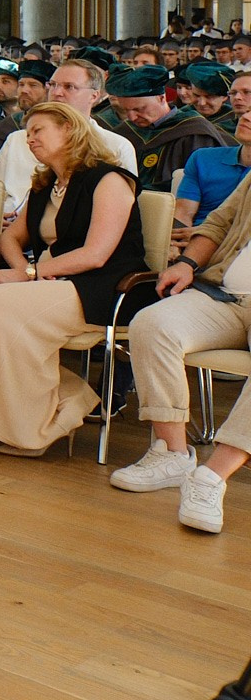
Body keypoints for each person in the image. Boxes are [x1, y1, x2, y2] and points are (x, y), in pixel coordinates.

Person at [0, 102, 147, 456]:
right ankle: (48, 399)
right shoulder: (46, 184)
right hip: (49, 280)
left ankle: (35, 428)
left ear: (69, 129)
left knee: (3, 312)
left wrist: (29, 273)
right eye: (27, 133)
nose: (29, 139)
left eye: (38, 130)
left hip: (103, 286)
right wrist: (22, 273)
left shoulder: (109, 179)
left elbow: (96, 254)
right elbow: (9, 238)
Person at [111, 164, 251, 532]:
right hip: (224, 294)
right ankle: (172, 454)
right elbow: (218, 224)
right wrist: (188, 263)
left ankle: (210, 477)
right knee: (151, 324)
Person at [0, 59, 133, 219]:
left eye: (69, 87)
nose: (56, 93)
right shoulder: (18, 139)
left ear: (94, 96)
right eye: (53, 85)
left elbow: (122, 211)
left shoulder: (115, 146)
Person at [109, 64, 228, 192]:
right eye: (126, 110)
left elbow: (202, 180)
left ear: (161, 98)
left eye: (139, 109)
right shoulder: (124, 132)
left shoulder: (194, 132)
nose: (132, 117)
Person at [174, 106, 251, 239]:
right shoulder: (202, 158)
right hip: (189, 239)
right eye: (248, 111)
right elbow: (183, 213)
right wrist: (175, 244)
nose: (246, 117)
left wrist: (205, 234)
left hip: (238, 244)